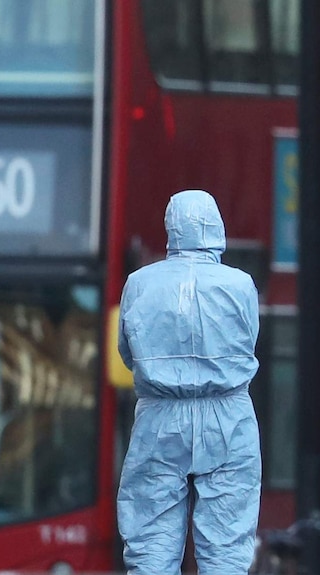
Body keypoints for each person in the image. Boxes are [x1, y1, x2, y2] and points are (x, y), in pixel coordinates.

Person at [116, 190, 262, 575]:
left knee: (151, 543)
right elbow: (249, 341)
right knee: (227, 548)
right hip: (228, 414)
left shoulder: (139, 283)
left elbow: (126, 353)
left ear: (171, 228)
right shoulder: (241, 284)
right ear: (216, 227)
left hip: (160, 416)